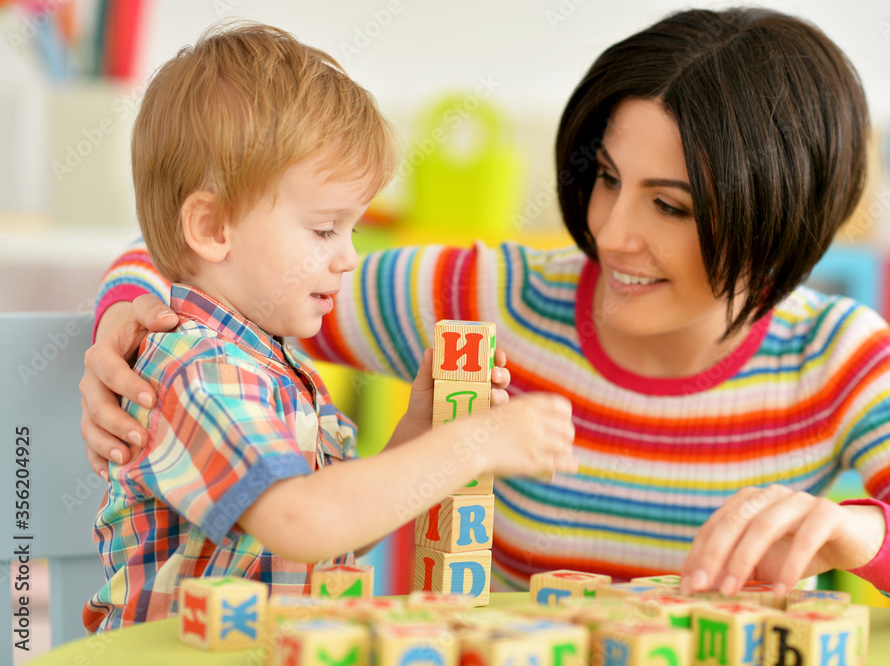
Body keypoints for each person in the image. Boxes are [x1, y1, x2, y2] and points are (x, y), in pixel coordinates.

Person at [80, 8, 890, 628]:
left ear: (779, 218)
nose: (612, 233)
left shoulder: (840, 361)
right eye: (605, 179)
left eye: (670, 207)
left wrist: (861, 533)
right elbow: (224, 263)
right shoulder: (498, 298)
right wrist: (133, 316)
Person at [80, 22, 577, 634]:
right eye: (323, 230)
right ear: (211, 229)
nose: (349, 258)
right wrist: (476, 445)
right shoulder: (200, 370)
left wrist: (415, 435)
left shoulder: (270, 360)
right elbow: (304, 524)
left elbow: (338, 529)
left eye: (353, 231)